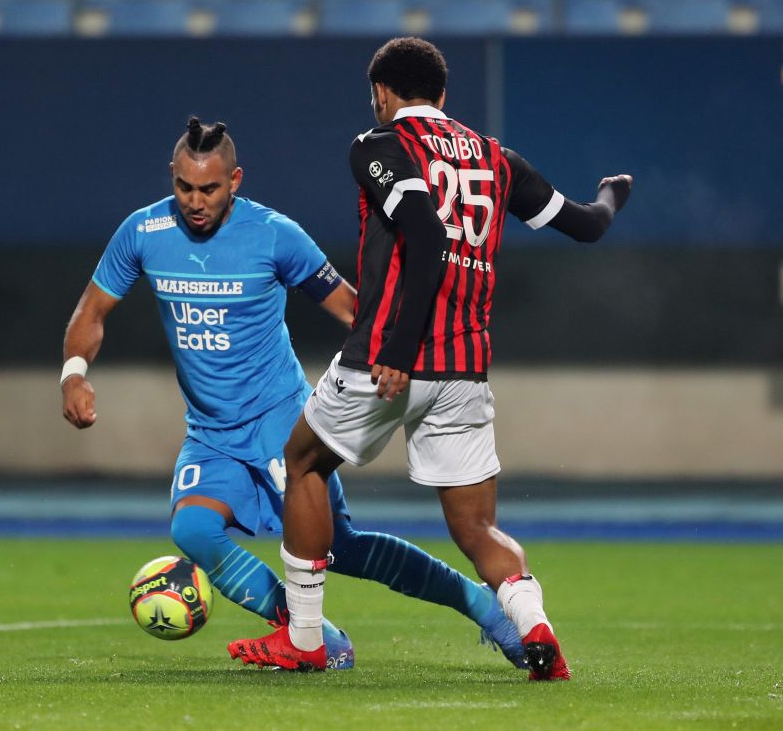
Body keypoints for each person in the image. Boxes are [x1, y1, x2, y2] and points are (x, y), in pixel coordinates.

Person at [227, 38, 632, 679]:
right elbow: (586, 225)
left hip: (385, 361)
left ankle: (303, 638)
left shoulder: (376, 145)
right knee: (477, 529)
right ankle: (536, 627)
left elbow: (423, 233)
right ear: (444, 96)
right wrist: (612, 194)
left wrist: (395, 349)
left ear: (382, 94)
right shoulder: (496, 158)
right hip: (465, 367)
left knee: (302, 461)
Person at [61, 116, 528, 671]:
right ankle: (309, 632)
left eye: (209, 188)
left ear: (235, 179)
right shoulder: (142, 233)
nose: (195, 200)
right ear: (172, 177)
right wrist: (73, 372)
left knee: (341, 549)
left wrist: (402, 357)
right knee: (192, 528)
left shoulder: (275, 235)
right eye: (184, 187)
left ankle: (484, 608)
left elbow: (353, 309)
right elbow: (91, 311)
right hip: (211, 435)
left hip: (282, 423)